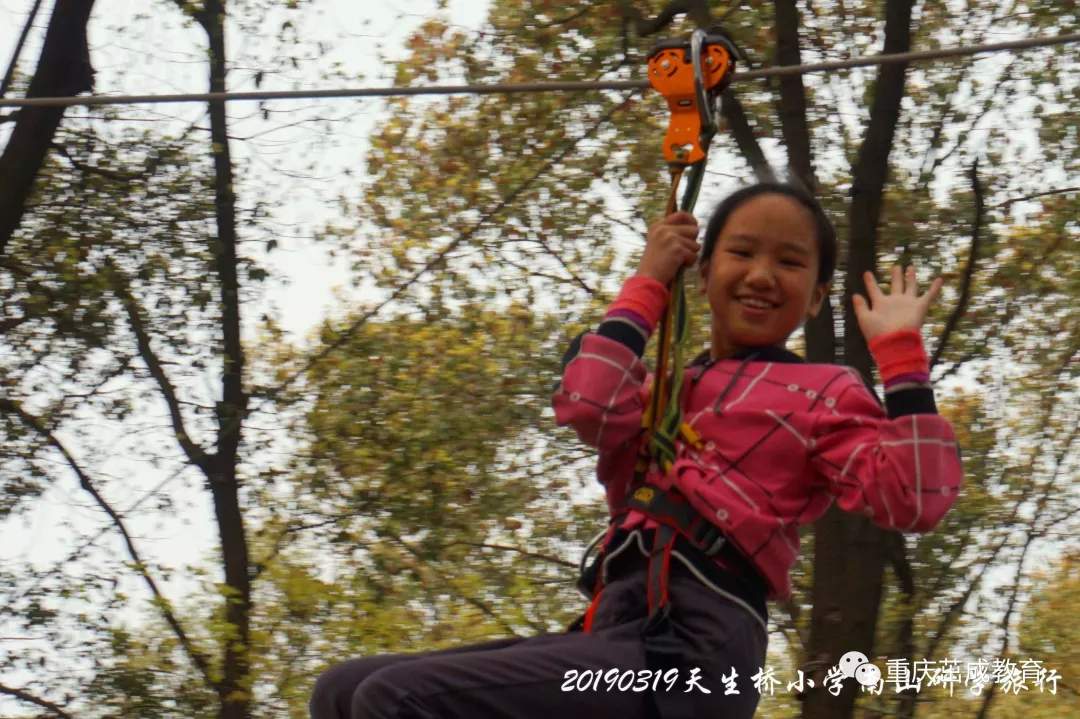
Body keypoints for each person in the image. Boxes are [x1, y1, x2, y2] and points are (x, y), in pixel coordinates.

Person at [308, 182, 964, 719]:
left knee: (392, 701)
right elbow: (589, 401)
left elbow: (914, 496)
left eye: (791, 263)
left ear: (818, 296)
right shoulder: (660, 394)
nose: (762, 274)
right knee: (341, 690)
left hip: (696, 653)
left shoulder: (823, 392)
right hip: (618, 632)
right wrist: (650, 278)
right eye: (741, 252)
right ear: (704, 272)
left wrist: (900, 357)